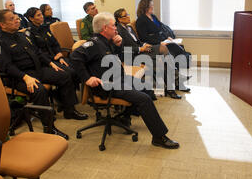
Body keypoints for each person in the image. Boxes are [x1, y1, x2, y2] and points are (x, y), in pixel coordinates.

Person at [70, 12, 180, 149]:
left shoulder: (107, 42)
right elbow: (74, 57)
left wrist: (117, 46)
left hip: (119, 79)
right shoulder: (93, 44)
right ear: (104, 28)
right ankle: (159, 137)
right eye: (113, 26)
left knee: (146, 88)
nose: (116, 28)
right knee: (144, 99)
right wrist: (87, 78)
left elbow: (116, 59)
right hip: (108, 86)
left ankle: (125, 116)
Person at [0, 9, 88, 140]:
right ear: (2, 25)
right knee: (39, 90)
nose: (17, 20)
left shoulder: (21, 35)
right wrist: (25, 77)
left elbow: (37, 52)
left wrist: (50, 63)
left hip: (37, 69)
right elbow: (7, 67)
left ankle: (69, 111)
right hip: (19, 77)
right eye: (12, 19)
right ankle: (49, 128)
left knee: (65, 74)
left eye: (16, 18)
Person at [24, 7, 86, 114]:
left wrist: (60, 55)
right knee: (68, 73)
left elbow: (55, 43)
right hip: (45, 62)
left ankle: (61, 97)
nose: (41, 17)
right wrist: (51, 62)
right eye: (38, 15)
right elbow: (36, 52)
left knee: (77, 67)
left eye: (41, 14)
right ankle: (69, 108)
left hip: (55, 58)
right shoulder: (29, 33)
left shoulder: (44, 28)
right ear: (31, 18)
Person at [114, 8, 184, 99]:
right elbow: (123, 49)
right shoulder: (118, 30)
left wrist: (145, 45)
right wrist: (140, 49)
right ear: (119, 19)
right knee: (162, 59)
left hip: (141, 50)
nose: (128, 16)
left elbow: (138, 41)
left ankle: (174, 82)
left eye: (128, 14)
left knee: (163, 48)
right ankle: (173, 85)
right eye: (125, 15)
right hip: (133, 56)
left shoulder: (129, 27)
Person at [135, 0, 192, 74]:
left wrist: (167, 37)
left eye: (152, 5)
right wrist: (160, 42)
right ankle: (176, 72)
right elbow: (144, 37)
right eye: (151, 5)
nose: (152, 6)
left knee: (178, 47)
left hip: (162, 39)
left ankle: (177, 70)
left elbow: (161, 28)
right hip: (155, 43)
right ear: (145, 6)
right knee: (175, 48)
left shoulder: (153, 17)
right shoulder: (141, 20)